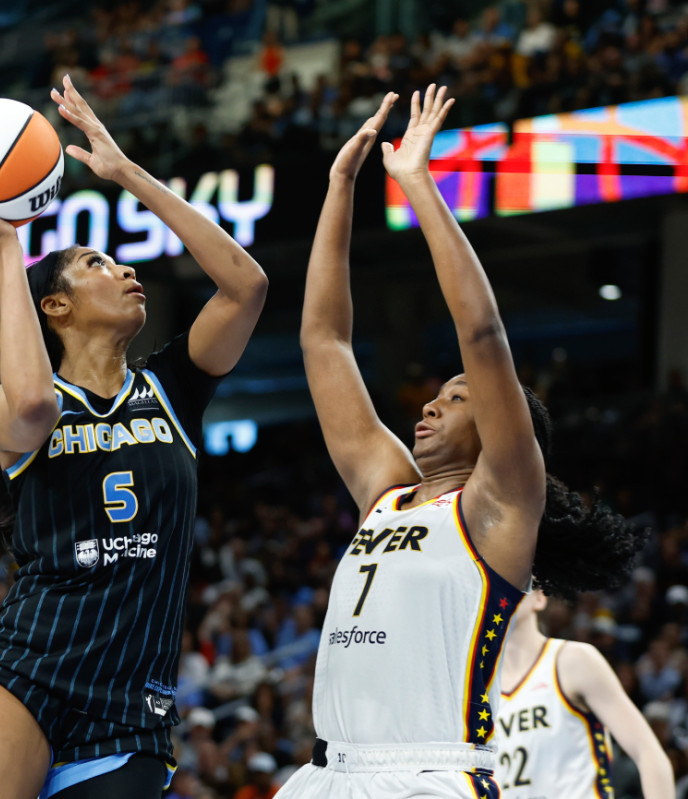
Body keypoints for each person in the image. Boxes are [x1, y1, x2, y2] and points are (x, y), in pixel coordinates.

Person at [0, 73, 267, 799]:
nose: (126, 270)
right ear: (53, 304)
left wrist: (126, 172)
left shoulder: (172, 389)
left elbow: (246, 286)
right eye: (97, 265)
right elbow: (29, 402)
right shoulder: (25, 403)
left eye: (120, 262)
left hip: (129, 702)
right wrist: (4, 252)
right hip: (28, 665)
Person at [274, 84, 643, 798]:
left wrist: (419, 187)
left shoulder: (499, 505)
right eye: (437, 394)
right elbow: (323, 341)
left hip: (425, 774)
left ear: (506, 432)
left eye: (457, 397)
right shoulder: (386, 489)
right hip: (325, 774)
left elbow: (482, 335)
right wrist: (339, 187)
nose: (432, 406)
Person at [497, 590, 673, 798]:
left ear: (540, 597)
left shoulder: (574, 659)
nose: (502, 592)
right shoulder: (477, 689)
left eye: (515, 581)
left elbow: (647, 751)